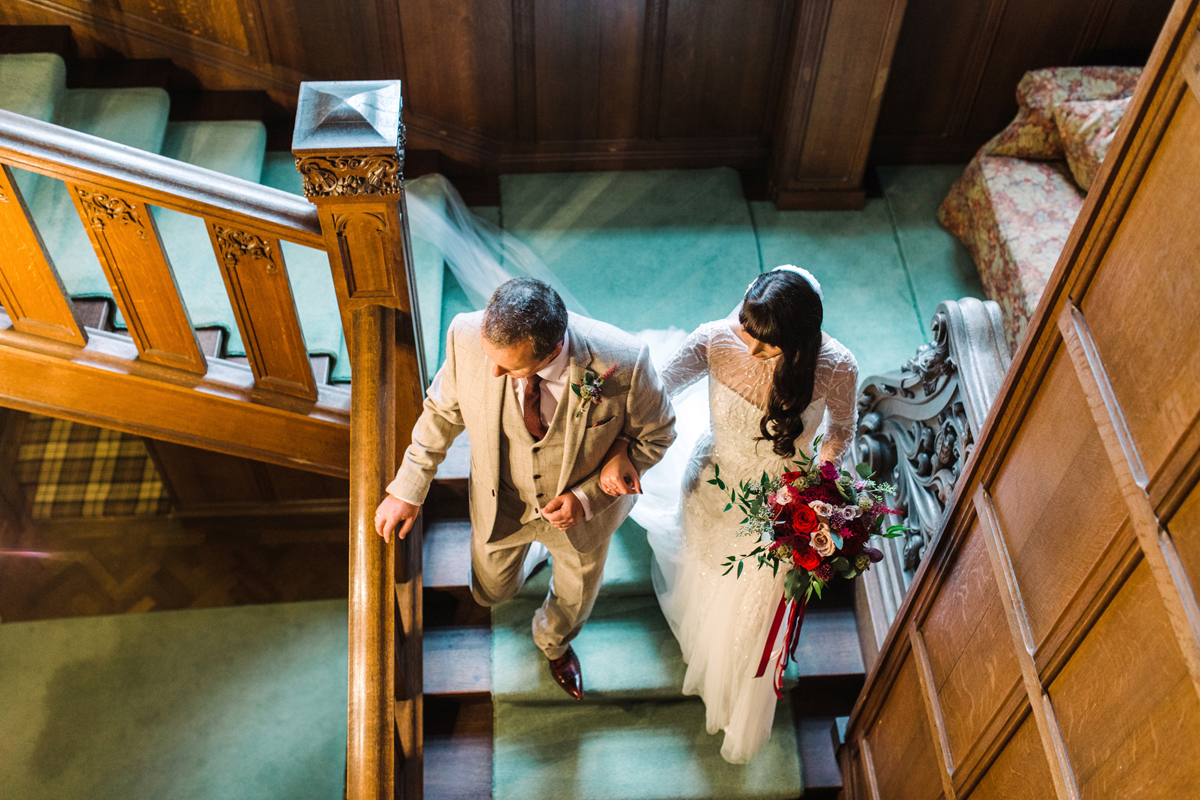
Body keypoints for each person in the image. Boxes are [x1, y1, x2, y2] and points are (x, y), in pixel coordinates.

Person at [598, 266, 859, 762]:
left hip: (781, 503)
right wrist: (620, 445)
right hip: (714, 483)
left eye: (768, 345)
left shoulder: (837, 366)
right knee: (705, 570)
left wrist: (819, 489)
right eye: (746, 328)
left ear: (799, 341)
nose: (751, 349)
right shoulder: (715, 340)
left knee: (751, 602)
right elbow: (656, 391)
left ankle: (737, 673)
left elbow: (840, 431)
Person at [374, 277, 676, 700]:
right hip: (501, 502)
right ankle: (532, 557)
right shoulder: (465, 334)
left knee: (574, 598)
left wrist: (589, 499)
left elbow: (658, 435)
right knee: (493, 589)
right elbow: (442, 412)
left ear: (554, 350)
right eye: (489, 358)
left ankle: (554, 644)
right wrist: (407, 488)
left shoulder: (624, 362)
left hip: (581, 521)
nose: (494, 372)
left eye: (511, 367)